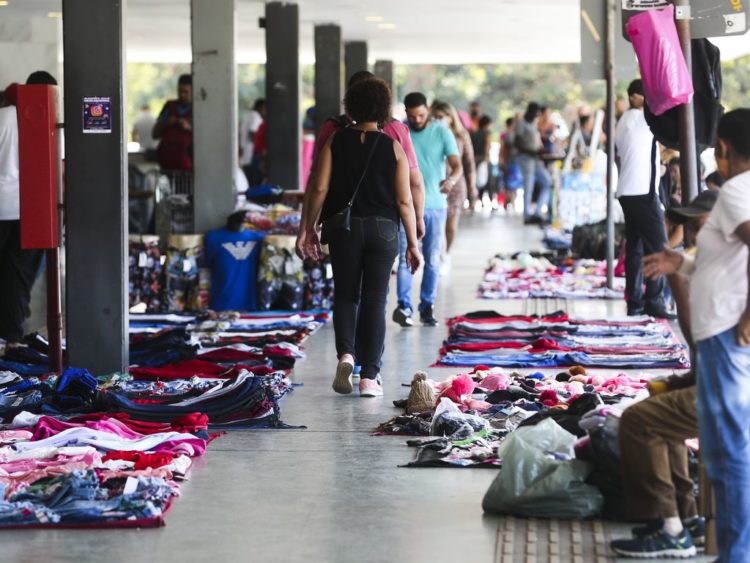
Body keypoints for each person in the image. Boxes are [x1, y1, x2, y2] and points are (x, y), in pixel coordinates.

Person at [639, 109, 750, 561]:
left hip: (725, 336)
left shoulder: (736, 192)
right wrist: (680, 264)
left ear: (721, 148)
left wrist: (747, 319)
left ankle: (736, 554)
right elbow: (727, 264)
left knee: (729, 453)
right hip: (721, 334)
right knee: (722, 451)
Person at [296, 78, 422, 397]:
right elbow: (405, 200)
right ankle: (369, 377)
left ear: (349, 107)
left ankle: (347, 355)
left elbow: (320, 187)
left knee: (346, 295)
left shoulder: (335, 142)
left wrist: (308, 227)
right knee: (375, 299)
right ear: (383, 110)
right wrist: (414, 243)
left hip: (344, 229)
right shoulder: (392, 145)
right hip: (383, 230)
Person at [611, 190, 719, 558]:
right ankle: (686, 518)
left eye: (699, 227)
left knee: (639, 423)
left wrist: (678, 279)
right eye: (686, 228)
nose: (690, 237)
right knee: (658, 403)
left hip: (732, 390)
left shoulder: (720, 270)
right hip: (720, 379)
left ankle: (669, 528)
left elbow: (697, 341)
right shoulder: (705, 264)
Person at [295, 70, 425, 262]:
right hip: (384, 223)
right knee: (377, 291)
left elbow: (317, 185)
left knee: (345, 291)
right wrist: (417, 220)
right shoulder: (396, 132)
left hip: (341, 223)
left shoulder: (333, 132)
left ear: (350, 99)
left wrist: (306, 227)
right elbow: (413, 185)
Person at [393, 92, 462, 327]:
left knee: (432, 258)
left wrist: (451, 180)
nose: (417, 120)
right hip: (406, 206)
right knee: (405, 257)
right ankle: (404, 306)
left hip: (434, 205)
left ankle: (427, 306)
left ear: (428, 110)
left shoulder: (442, 132)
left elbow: (457, 165)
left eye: (421, 115)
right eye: (412, 116)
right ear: (406, 113)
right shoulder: (400, 132)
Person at [0, 72, 57, 348]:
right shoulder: (41, 121)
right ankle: (11, 337)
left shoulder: (4, 116)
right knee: (18, 276)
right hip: (27, 209)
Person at [615, 79, 671, 318]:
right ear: (637, 98)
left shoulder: (626, 122)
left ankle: (635, 301)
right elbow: (663, 117)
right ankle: (655, 301)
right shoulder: (638, 119)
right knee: (659, 247)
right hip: (641, 193)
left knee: (636, 249)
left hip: (630, 191)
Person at [431, 101, 476, 266]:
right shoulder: (431, 133)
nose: (437, 120)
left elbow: (469, 163)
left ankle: (446, 253)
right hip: (435, 185)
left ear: (451, 117)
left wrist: (472, 188)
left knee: (450, 225)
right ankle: (439, 256)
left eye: (440, 117)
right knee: (437, 225)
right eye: (434, 116)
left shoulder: (461, 135)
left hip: (456, 185)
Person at [515, 102, 552, 224]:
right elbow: (517, 143)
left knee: (547, 182)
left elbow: (536, 141)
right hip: (526, 158)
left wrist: (541, 150)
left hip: (536, 158)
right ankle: (527, 215)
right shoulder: (521, 123)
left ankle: (537, 212)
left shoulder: (534, 123)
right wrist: (531, 151)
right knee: (528, 186)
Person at [153, 74, 193, 171]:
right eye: (180, 91)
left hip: (188, 167)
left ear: (193, 91)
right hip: (167, 165)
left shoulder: (198, 109)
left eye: (186, 92)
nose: (182, 94)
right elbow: (154, 134)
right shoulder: (169, 107)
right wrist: (166, 123)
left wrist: (189, 127)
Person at [239, 98, 266, 181]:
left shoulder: (249, 115)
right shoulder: (256, 116)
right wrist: (260, 145)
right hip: (251, 156)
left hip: (246, 156)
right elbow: (252, 133)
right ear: (261, 107)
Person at [500, 117, 522, 211]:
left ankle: (509, 202)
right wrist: (502, 160)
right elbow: (504, 149)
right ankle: (510, 202)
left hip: (513, 162)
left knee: (511, 184)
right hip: (511, 162)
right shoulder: (508, 135)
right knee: (511, 185)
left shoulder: (512, 134)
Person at [471, 115, 493, 208]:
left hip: (474, 159)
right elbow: (487, 146)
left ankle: (473, 202)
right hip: (483, 159)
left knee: (474, 181)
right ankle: (489, 202)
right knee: (487, 181)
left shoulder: (473, 133)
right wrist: (487, 158)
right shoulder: (487, 133)